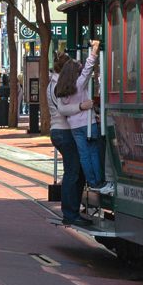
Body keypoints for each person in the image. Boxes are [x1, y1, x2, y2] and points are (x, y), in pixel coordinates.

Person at [55, 41, 113, 194]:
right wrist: (94, 50)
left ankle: (92, 182)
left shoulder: (61, 89)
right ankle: (99, 182)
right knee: (93, 152)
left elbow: (63, 109)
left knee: (84, 155)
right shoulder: (79, 84)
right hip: (87, 123)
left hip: (74, 126)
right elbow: (88, 68)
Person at [48, 52, 96, 225]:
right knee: (73, 171)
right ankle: (70, 213)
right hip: (64, 132)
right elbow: (63, 109)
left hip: (60, 131)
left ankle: (73, 210)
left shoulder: (54, 83)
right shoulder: (59, 85)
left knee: (75, 171)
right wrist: (82, 106)